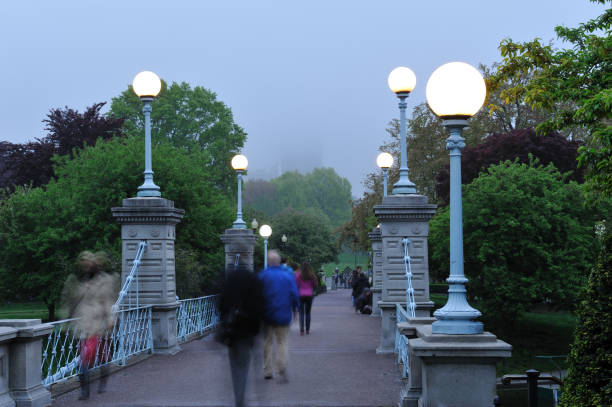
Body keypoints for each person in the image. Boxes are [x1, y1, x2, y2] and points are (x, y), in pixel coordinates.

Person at [61, 251, 118, 400]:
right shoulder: (79, 279)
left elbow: (107, 301)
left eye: (87, 262)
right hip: (82, 325)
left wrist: (111, 318)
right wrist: (66, 319)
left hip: (98, 325)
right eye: (82, 262)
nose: (85, 264)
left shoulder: (103, 281)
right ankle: (85, 391)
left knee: (100, 357)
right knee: (85, 358)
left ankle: (100, 382)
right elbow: (70, 300)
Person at [217, 264, 264, 407]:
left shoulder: (229, 278)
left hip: (232, 330)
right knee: (244, 366)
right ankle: (240, 399)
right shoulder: (253, 279)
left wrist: (224, 321)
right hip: (248, 331)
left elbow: (220, 303)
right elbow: (260, 305)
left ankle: (239, 397)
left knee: (235, 367)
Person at [258, 250, 299, 381]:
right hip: (283, 314)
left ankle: (267, 370)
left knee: (267, 342)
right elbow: (294, 294)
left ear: (269, 262)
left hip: (267, 315)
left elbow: (256, 295)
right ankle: (281, 366)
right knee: (282, 342)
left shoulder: (262, 276)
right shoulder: (287, 276)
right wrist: (295, 311)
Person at [294, 262, 318, 335]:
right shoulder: (312, 275)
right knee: (308, 312)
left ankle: (301, 329)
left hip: (301, 295)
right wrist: (311, 288)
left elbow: (296, 285)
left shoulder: (298, 275)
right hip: (309, 295)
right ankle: (307, 329)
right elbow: (315, 285)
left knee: (301, 312)